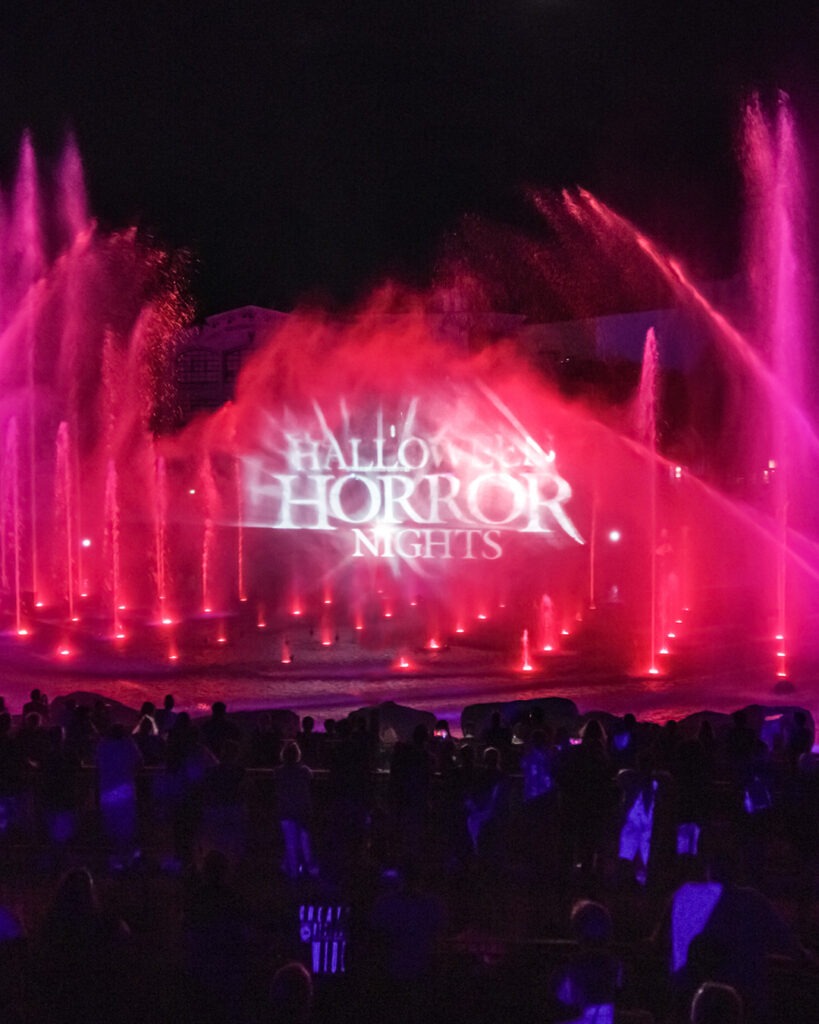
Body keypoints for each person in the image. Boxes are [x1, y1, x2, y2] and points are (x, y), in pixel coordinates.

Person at [273, 740, 317, 880]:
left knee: (290, 841)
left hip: (286, 809)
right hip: (302, 809)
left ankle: (292, 872)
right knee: (304, 840)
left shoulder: (278, 772)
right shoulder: (304, 771)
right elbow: (311, 777)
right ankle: (306, 869)